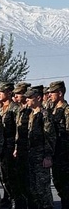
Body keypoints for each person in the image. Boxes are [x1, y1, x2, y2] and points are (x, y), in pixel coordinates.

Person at [22, 87, 56, 209]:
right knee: (34, 189)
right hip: (32, 155)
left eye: (30, 98)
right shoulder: (31, 114)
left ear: (38, 98)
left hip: (41, 157)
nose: (27, 100)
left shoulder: (44, 115)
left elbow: (49, 137)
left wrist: (48, 156)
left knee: (43, 191)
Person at [0, 82, 20, 209]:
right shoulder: (1, 109)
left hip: (10, 147)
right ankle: (9, 198)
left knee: (11, 176)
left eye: (1, 91)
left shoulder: (15, 108)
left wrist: (16, 148)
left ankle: (16, 201)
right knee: (3, 176)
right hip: (2, 146)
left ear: (9, 93)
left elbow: (18, 129)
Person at [47, 81, 69, 209]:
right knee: (58, 184)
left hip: (64, 155)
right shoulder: (52, 109)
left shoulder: (67, 111)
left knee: (66, 187)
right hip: (55, 153)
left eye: (52, 92)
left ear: (60, 93)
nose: (49, 95)